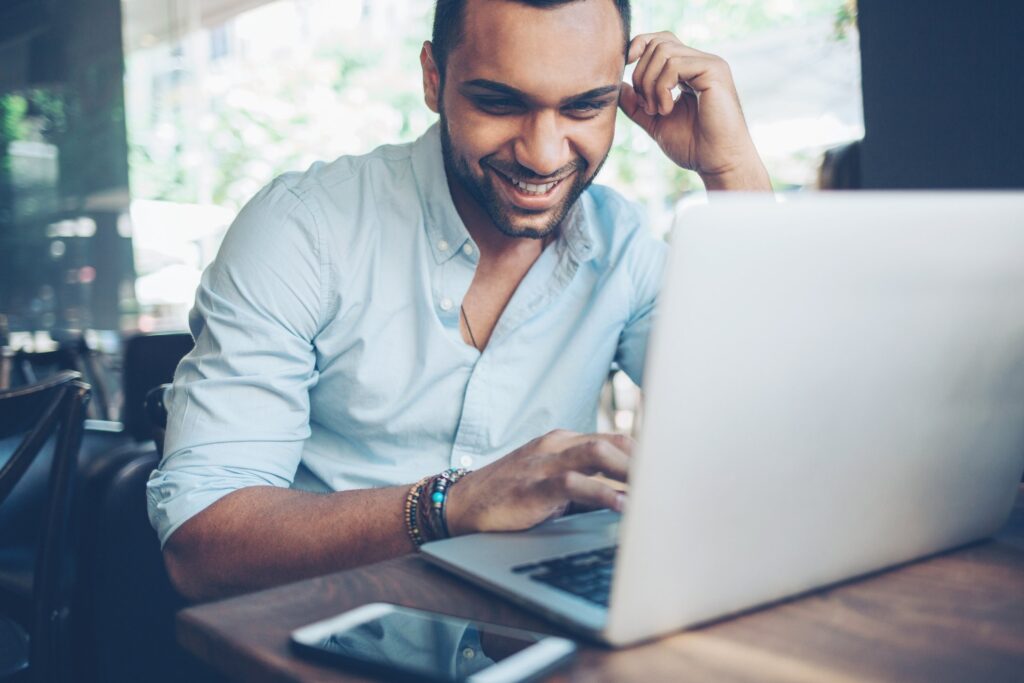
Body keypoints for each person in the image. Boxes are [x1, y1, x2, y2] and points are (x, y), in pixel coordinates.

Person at [147, 0, 771, 602]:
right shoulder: (303, 230)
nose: (544, 153)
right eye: (500, 103)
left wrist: (732, 170)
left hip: (533, 639)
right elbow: (201, 547)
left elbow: (768, 427)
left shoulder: (622, 248)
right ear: (432, 78)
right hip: (326, 641)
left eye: (585, 107)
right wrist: (450, 505)